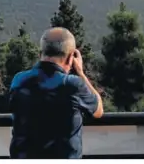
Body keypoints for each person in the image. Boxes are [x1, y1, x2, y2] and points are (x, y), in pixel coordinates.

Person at [9, 27, 104, 159]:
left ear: (40, 54)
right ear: (71, 58)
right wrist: (81, 73)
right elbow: (98, 110)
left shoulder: (19, 80)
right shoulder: (72, 85)